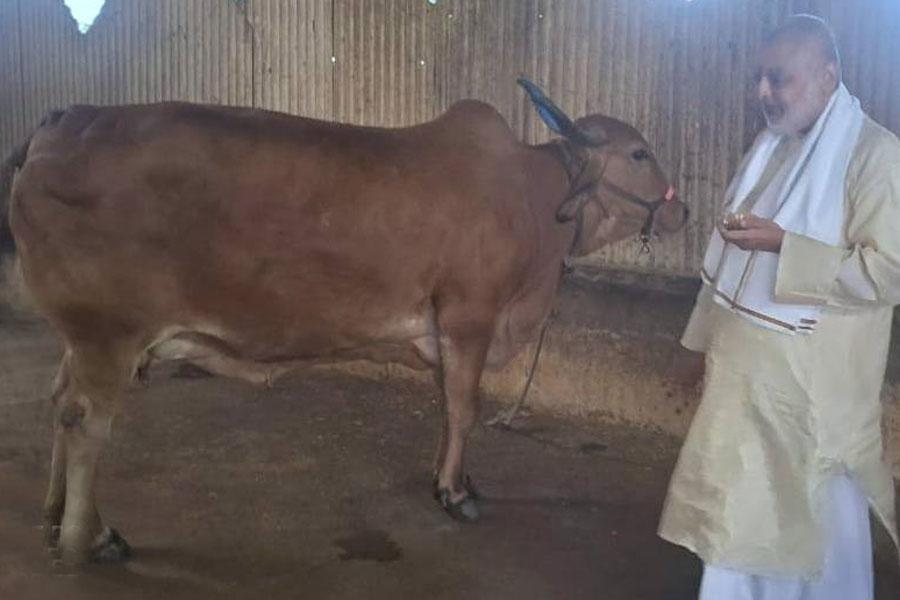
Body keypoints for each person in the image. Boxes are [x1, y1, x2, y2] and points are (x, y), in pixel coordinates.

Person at [658, 14, 900, 600]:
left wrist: (785, 246)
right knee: (735, 537)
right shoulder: (769, 151)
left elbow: (888, 271)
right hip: (744, 396)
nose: (762, 93)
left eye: (779, 79)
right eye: (760, 79)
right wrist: (694, 347)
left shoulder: (875, 155)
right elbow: (727, 268)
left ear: (827, 75)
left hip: (815, 410)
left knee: (815, 550)